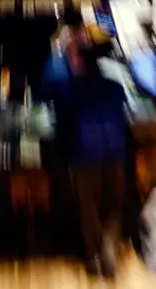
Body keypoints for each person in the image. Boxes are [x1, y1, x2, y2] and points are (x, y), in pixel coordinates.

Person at [56, 45, 133, 277]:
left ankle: (94, 257)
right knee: (112, 206)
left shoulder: (71, 90)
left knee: (89, 209)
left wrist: (63, 153)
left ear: (81, 66)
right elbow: (123, 117)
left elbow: (63, 125)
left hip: (85, 155)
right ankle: (109, 250)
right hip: (115, 153)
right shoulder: (115, 87)